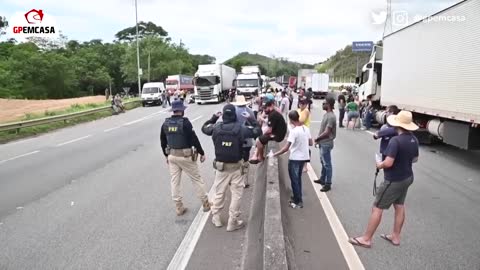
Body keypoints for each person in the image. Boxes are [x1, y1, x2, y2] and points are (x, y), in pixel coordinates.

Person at [348, 111, 419, 248]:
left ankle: (366, 239)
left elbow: (388, 163)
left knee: (377, 207)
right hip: (407, 176)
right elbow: (415, 159)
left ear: (397, 124)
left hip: (393, 179)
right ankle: (396, 236)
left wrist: (379, 164)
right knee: (399, 206)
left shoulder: (395, 141)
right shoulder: (413, 139)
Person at [201, 104, 261, 231]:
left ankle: (216, 217)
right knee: (236, 195)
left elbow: (204, 128)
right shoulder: (240, 129)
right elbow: (257, 131)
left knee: (219, 192)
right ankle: (232, 222)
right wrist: (251, 118)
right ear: (234, 115)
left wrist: (213, 118)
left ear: (223, 115)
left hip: (221, 167)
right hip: (236, 167)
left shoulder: (216, 128)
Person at [160, 100, 210, 216]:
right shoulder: (185, 123)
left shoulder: (165, 124)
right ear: (182, 110)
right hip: (186, 156)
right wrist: (201, 153)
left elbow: (162, 141)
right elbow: (194, 139)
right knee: (196, 179)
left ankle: (178, 207)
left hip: (172, 156)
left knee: (175, 182)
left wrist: (166, 155)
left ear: (172, 111)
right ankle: (205, 203)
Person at [273, 110, 313, 209]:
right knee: (298, 178)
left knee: (294, 180)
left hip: (295, 158)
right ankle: (296, 196)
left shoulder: (294, 132)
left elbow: (286, 148)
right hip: (304, 158)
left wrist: (275, 154)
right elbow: (311, 143)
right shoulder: (306, 128)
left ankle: (298, 202)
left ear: (290, 120)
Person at [249, 99, 287, 164]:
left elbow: (269, 130)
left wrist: (263, 135)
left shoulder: (272, 115)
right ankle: (257, 155)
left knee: (258, 140)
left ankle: (260, 157)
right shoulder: (273, 113)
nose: (264, 110)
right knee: (262, 137)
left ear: (271, 106)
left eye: (266, 108)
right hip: (278, 133)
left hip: (278, 135)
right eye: (263, 109)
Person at [231, 95, 257, 188]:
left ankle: (236, 180)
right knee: (246, 160)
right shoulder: (250, 111)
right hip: (247, 140)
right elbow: (255, 125)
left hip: (236, 140)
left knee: (237, 160)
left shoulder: (233, 111)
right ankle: (245, 181)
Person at [313, 97, 336, 192]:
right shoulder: (326, 115)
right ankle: (322, 179)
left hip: (326, 143)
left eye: (324, 103)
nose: (322, 105)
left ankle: (328, 183)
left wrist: (317, 138)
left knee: (327, 164)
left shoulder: (331, 117)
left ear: (329, 105)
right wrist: (318, 140)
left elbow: (327, 132)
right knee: (323, 162)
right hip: (322, 142)